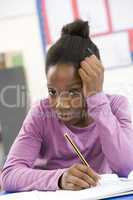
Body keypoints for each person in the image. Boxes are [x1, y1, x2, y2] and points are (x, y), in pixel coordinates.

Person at [1, 19, 133, 192]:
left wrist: (96, 99)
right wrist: (60, 178)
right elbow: (9, 175)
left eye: (73, 92)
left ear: (93, 82)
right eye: (53, 92)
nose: (60, 105)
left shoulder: (115, 106)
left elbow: (126, 167)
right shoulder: (41, 113)